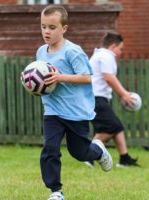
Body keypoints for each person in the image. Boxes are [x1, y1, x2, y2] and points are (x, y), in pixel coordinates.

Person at [36, 5, 113, 200]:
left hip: (76, 111)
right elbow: (40, 75)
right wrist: (32, 82)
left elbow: (87, 77)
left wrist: (60, 77)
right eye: (44, 26)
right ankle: (56, 191)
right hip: (52, 110)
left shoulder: (73, 52)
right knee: (50, 149)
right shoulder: (41, 52)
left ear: (64, 28)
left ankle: (98, 150)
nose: (47, 31)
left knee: (79, 152)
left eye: (52, 27)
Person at [84, 32, 140, 169]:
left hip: (94, 98)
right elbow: (108, 77)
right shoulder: (106, 56)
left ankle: (124, 158)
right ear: (113, 46)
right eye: (121, 49)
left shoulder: (99, 54)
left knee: (117, 127)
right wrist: (124, 94)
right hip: (96, 98)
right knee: (111, 128)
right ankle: (87, 154)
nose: (120, 52)